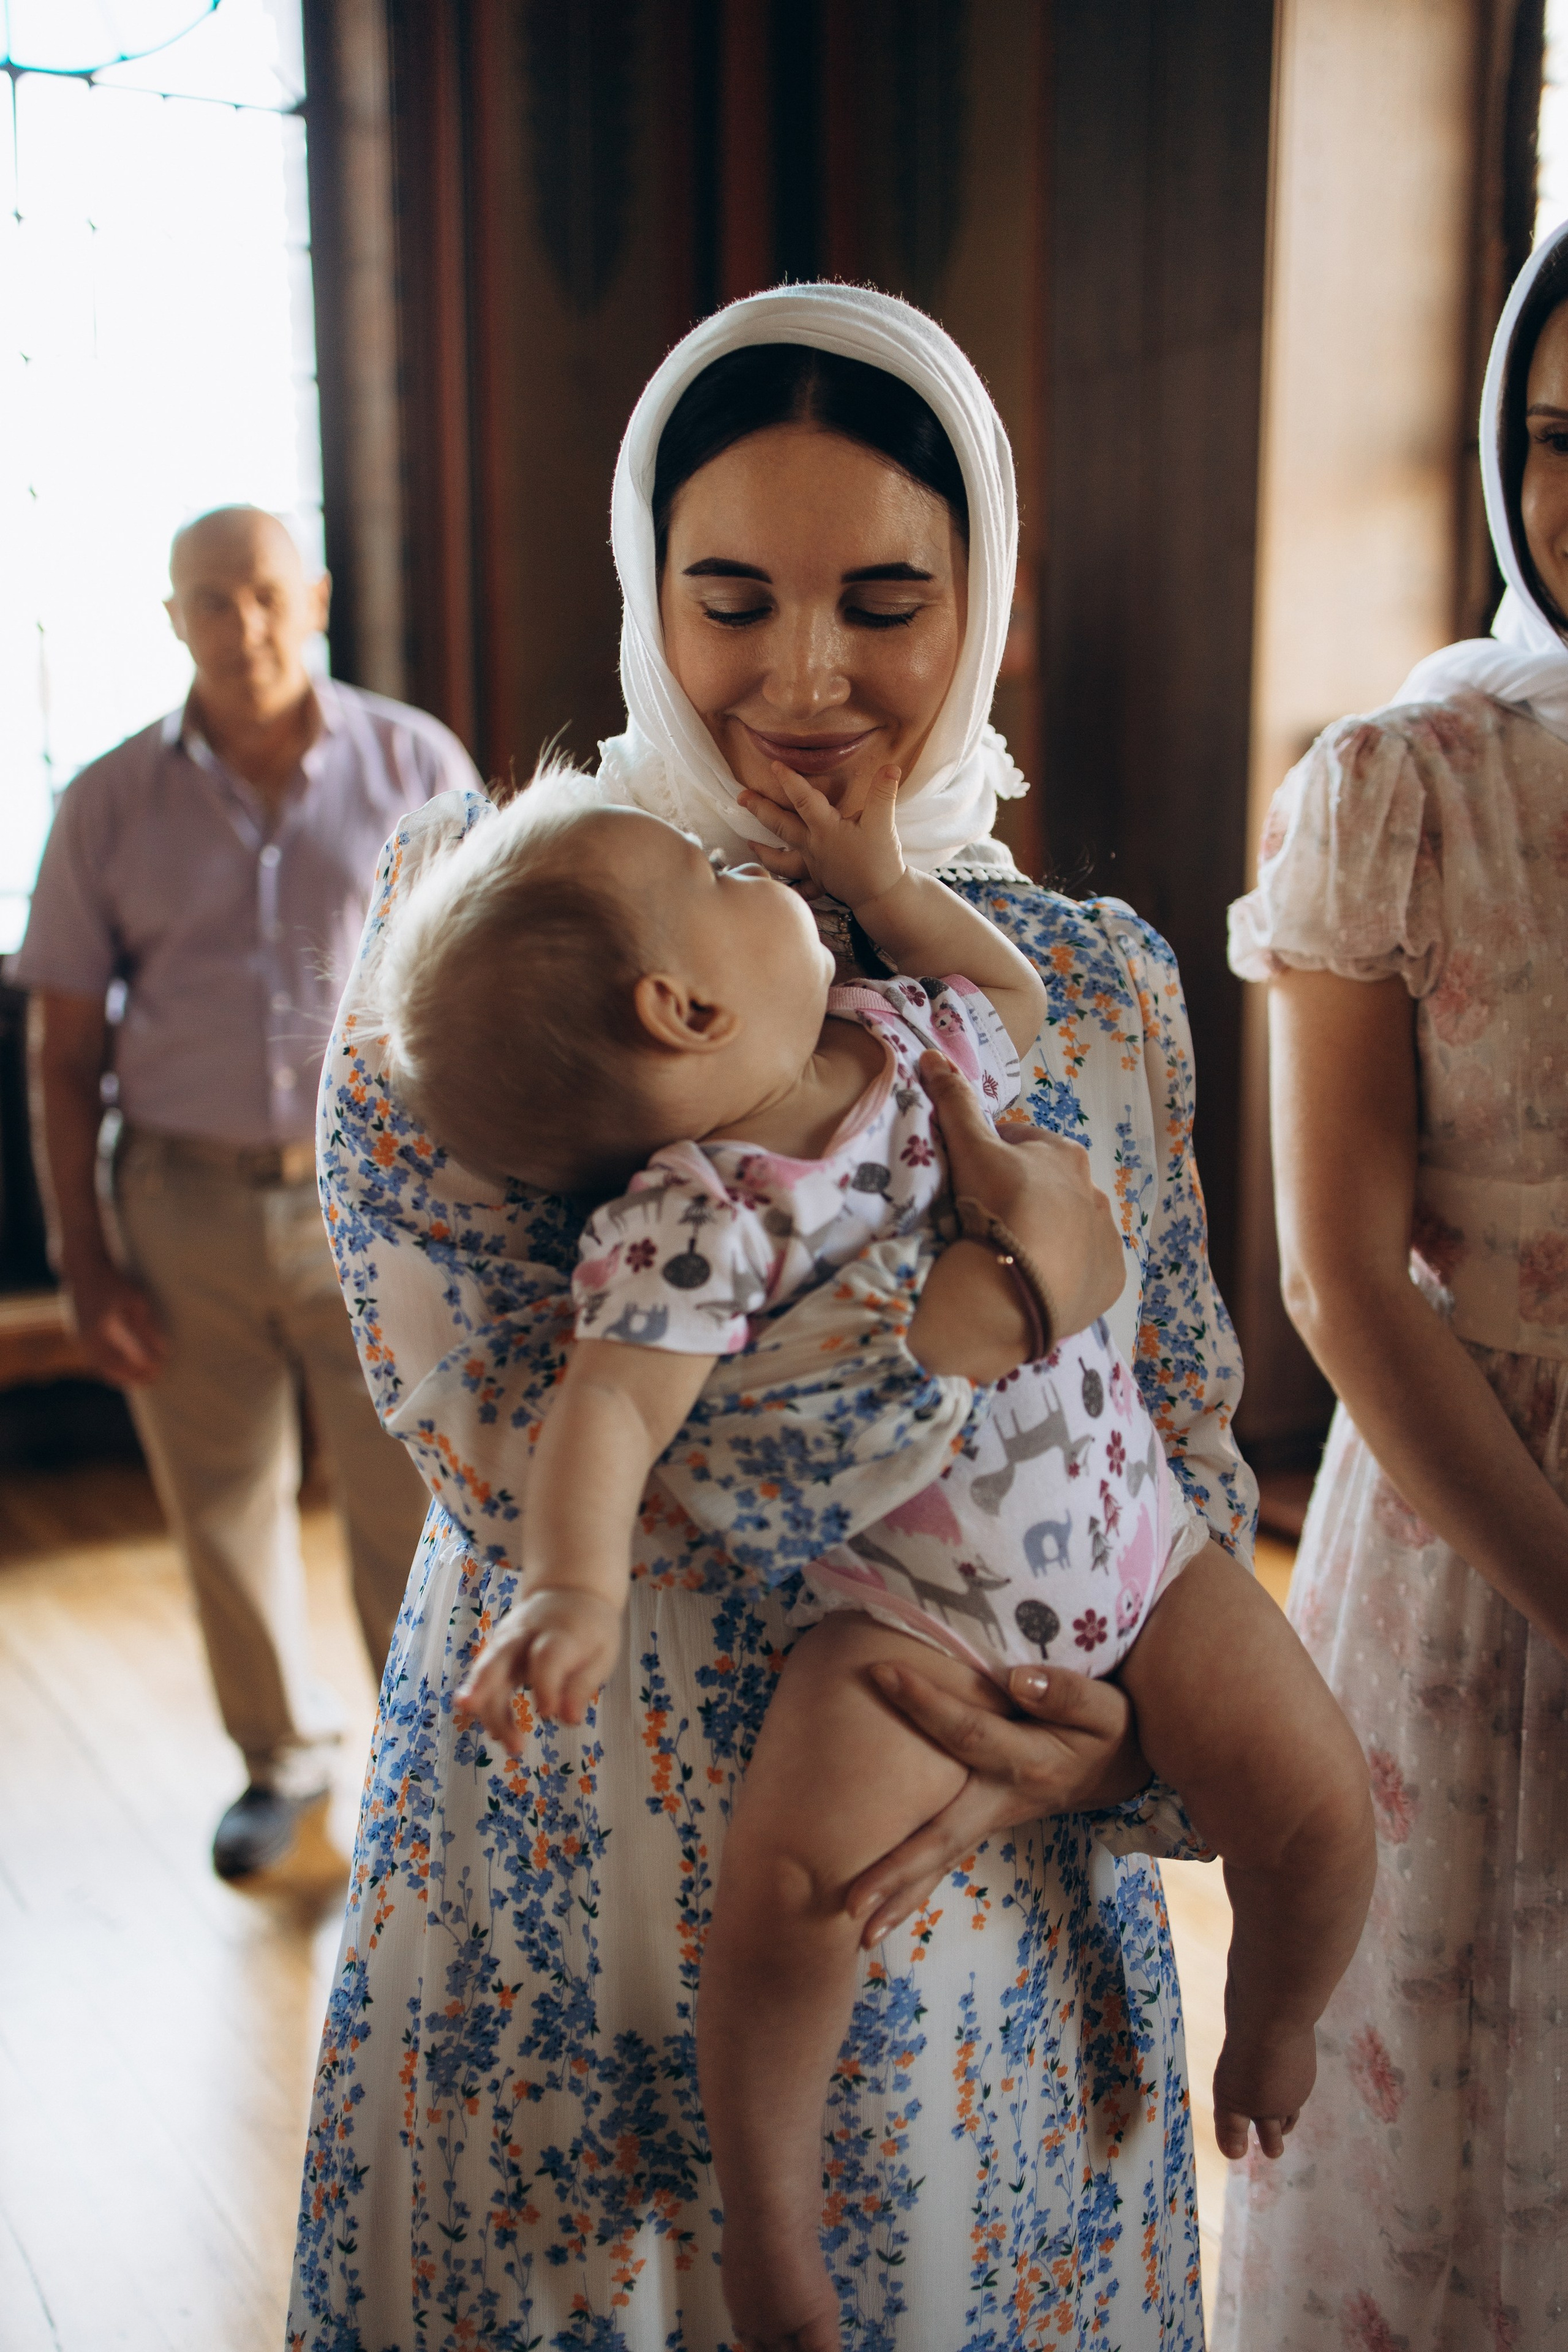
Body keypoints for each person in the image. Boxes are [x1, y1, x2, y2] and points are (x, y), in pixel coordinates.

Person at [289, 287, 1260, 2351]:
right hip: (583, 1876)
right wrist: (990, 1310)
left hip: (975, 1887)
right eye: (730, 598)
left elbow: (1179, 1437)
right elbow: (551, 1463)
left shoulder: (1091, 981)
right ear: (647, 592)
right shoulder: (469, 957)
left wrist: (1113, 1757)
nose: (807, 676)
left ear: (984, 594)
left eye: (885, 598)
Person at [401, 757, 1371, 2351]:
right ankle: (773, 2234)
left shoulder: (902, 1024)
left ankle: (1274, 2016)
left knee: (1326, 1803)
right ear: (684, 1009)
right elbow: (607, 1416)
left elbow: (1019, 991)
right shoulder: (699, 1214)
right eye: (722, 892)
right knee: (791, 1901)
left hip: (1140, 1538)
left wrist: (886, 881)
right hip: (909, 1619)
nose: (765, 885)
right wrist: (569, 1592)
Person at [1217, 223, 1568, 2350]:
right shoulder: (1407, 781)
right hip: (1471, 1528)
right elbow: (1341, 1282)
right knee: (1457, 2124)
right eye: (1551, 438)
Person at [17, 505, 481, 1880]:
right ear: (175, 619)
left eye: (267, 594)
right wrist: (85, 1267)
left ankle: (435, 1781)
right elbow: (60, 1058)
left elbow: (492, 995)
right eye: (212, 602)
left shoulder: (416, 763)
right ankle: (282, 1769)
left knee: (413, 1500)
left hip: (380, 1199)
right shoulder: (106, 803)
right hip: (180, 1204)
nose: (245, 625)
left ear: (316, 596)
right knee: (220, 1509)